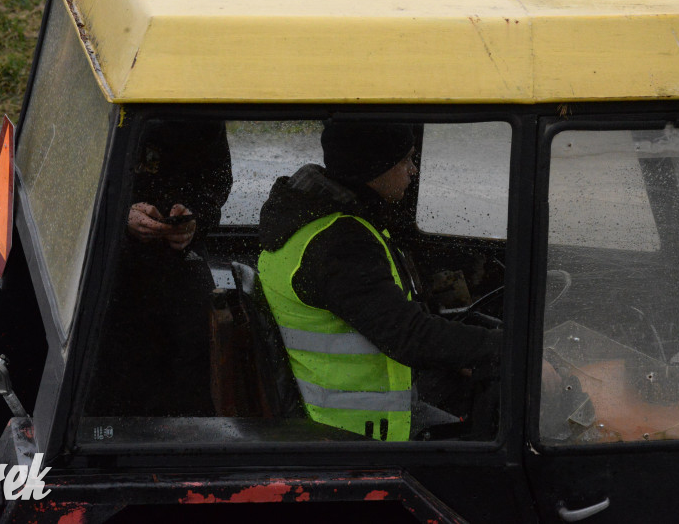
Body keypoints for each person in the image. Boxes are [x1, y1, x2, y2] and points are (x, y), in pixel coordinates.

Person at [257, 122, 503, 441]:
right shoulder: (340, 245)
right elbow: (407, 336)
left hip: (353, 410)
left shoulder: (326, 223)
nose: (413, 171)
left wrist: (468, 355)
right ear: (377, 167)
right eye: (406, 160)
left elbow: (394, 321)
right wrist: (505, 349)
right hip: (359, 434)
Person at [90, 119, 233, 417]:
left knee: (196, 349)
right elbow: (70, 179)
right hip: (102, 254)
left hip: (177, 260)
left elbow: (216, 183)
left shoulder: (202, 107)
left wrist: (194, 219)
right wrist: (119, 214)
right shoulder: (105, 101)